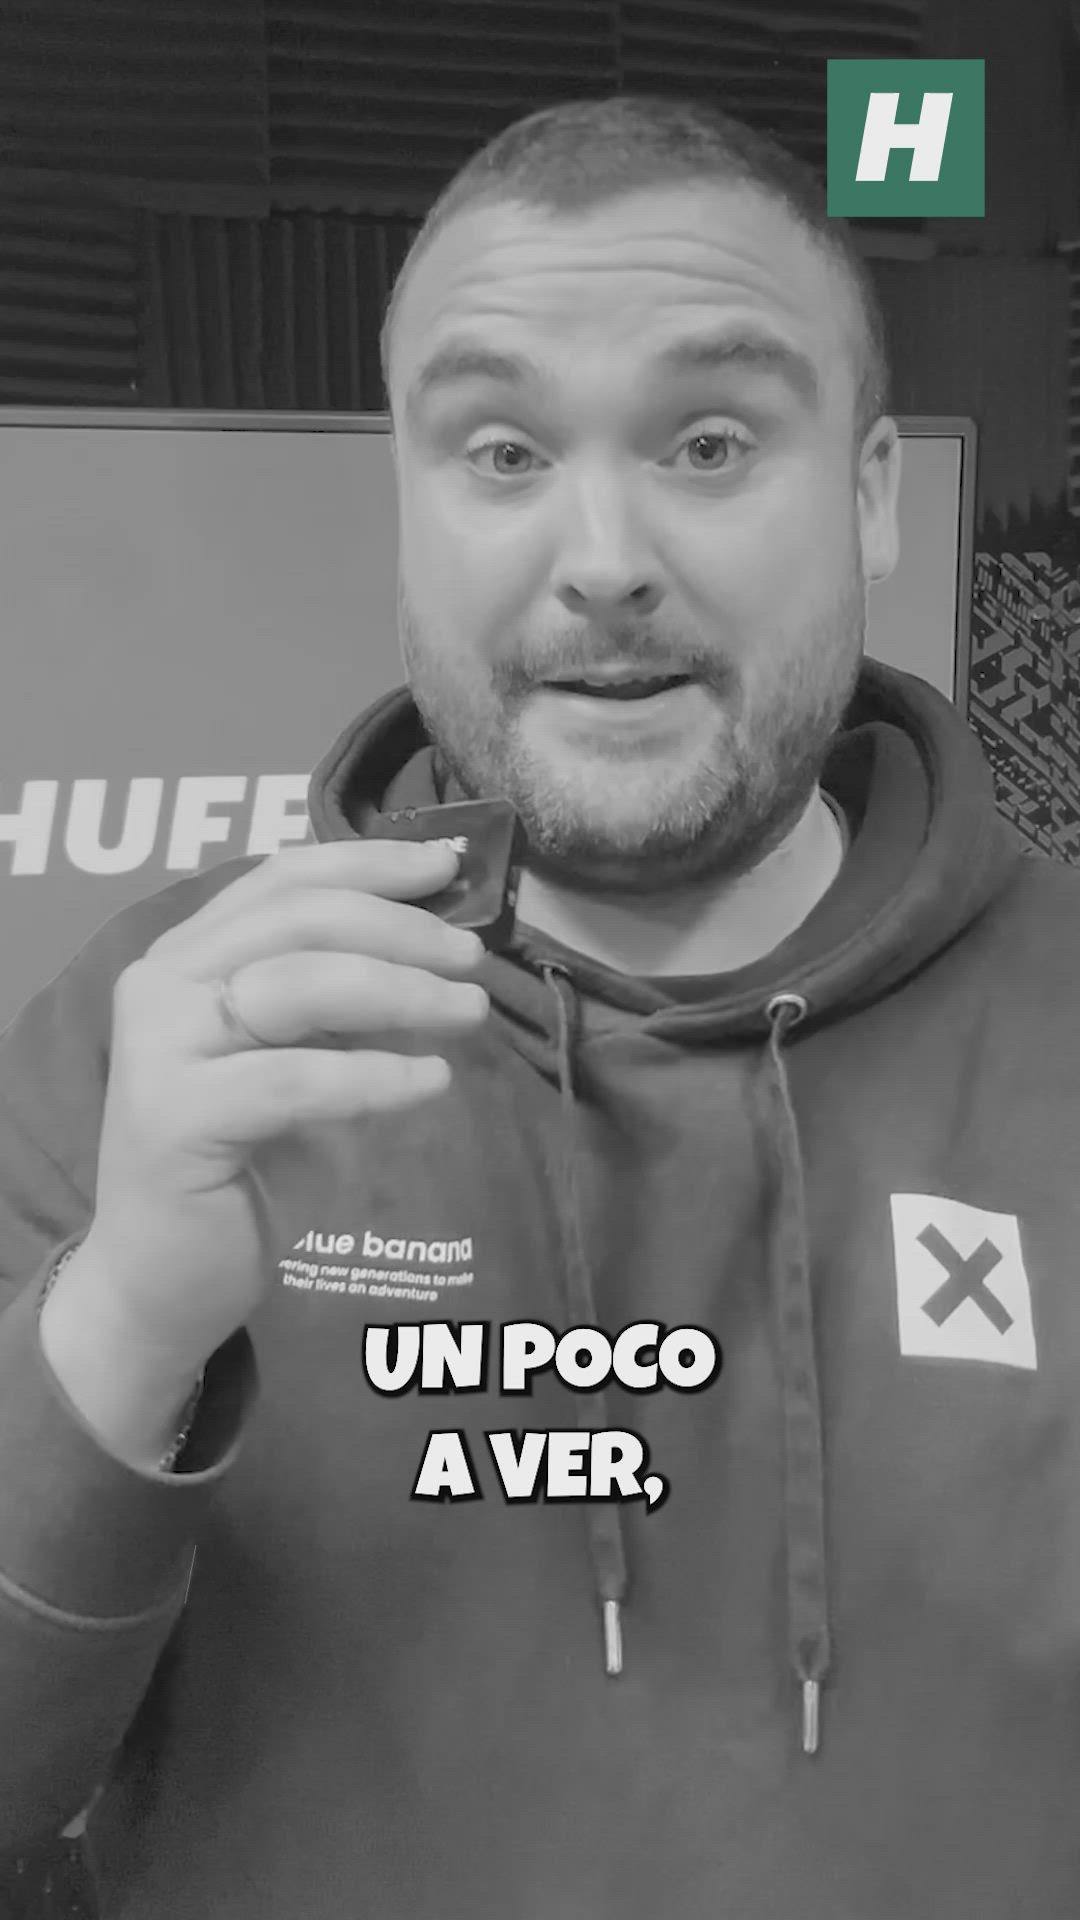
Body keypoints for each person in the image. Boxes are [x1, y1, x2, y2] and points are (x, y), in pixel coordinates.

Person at [0, 85, 1076, 1920]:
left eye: (711, 442)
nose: (603, 557)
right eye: (501, 452)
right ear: (407, 506)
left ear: (872, 495)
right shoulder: (158, 1039)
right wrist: (121, 1333)